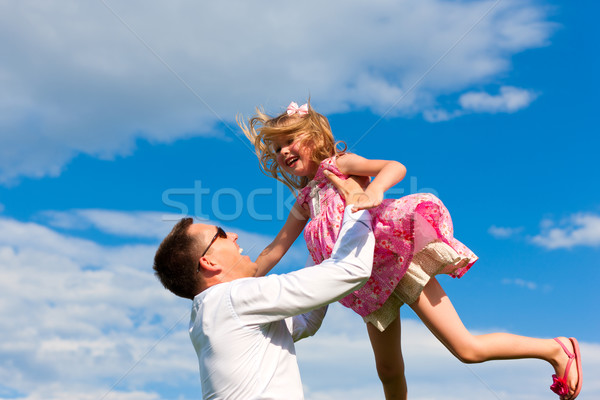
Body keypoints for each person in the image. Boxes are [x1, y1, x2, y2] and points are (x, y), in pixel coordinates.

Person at [238, 101, 583, 400]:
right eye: (276, 147)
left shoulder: (341, 166)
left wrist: (374, 193)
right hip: (368, 287)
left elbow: (394, 167)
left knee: (466, 349)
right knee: (388, 370)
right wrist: (237, 281)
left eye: (289, 140)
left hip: (395, 262)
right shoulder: (304, 200)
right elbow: (276, 247)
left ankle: (555, 348)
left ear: (314, 138)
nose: (283, 151)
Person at [153, 175, 376, 400]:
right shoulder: (235, 297)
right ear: (209, 262)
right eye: (220, 235)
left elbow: (305, 322)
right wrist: (357, 202)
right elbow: (352, 270)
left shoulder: (207, 314)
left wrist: (321, 240)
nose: (233, 235)